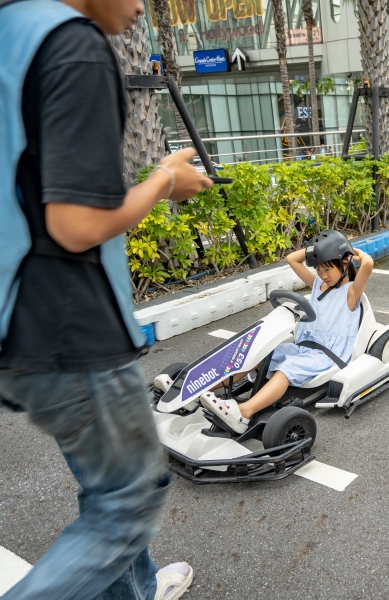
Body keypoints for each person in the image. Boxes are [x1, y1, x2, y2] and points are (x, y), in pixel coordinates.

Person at [0, 1, 214, 599]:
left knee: (106, 486)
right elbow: (74, 224)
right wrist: (165, 181)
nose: (143, 5)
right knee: (127, 502)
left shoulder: (11, 30)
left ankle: (136, 591)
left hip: (16, 319)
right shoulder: (75, 45)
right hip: (69, 327)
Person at [201, 230, 374, 433]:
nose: (323, 275)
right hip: (303, 347)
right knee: (256, 354)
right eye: (318, 269)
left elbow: (368, 265)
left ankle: (243, 412)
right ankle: (199, 392)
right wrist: (318, 250)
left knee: (287, 369)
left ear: (344, 264)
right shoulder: (319, 285)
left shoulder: (351, 293)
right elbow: (292, 259)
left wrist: (351, 252)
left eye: (327, 269)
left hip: (326, 355)